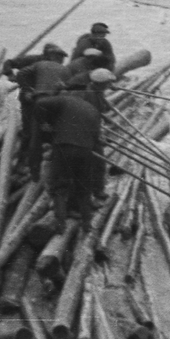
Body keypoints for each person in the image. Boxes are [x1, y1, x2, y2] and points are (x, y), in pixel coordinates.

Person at [38, 69, 112, 228]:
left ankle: (60, 222)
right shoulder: (89, 105)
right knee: (82, 186)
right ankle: (86, 221)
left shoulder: (69, 100)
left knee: (60, 185)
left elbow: (40, 104)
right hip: (84, 146)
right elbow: (95, 132)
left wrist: (47, 124)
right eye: (108, 83)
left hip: (65, 145)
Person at [13, 57, 70, 177]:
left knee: (33, 134)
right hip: (56, 102)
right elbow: (67, 89)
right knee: (50, 131)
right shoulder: (66, 70)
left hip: (39, 100)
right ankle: (52, 166)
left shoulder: (40, 64)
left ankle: (30, 169)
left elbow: (20, 73)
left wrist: (28, 89)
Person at [3, 43, 68, 77]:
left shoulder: (58, 68)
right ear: (49, 55)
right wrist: (10, 75)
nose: (61, 60)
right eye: (58, 56)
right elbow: (8, 62)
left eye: (62, 57)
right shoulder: (32, 59)